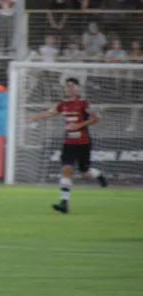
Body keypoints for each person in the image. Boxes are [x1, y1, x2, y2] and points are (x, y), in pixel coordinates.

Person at [27, 77, 107, 214]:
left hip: (83, 143)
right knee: (66, 169)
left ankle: (98, 174)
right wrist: (35, 117)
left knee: (84, 173)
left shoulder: (84, 104)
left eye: (72, 86)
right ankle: (64, 203)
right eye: (67, 86)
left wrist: (79, 126)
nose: (69, 88)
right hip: (69, 143)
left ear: (77, 88)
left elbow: (97, 117)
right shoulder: (63, 104)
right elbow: (51, 113)